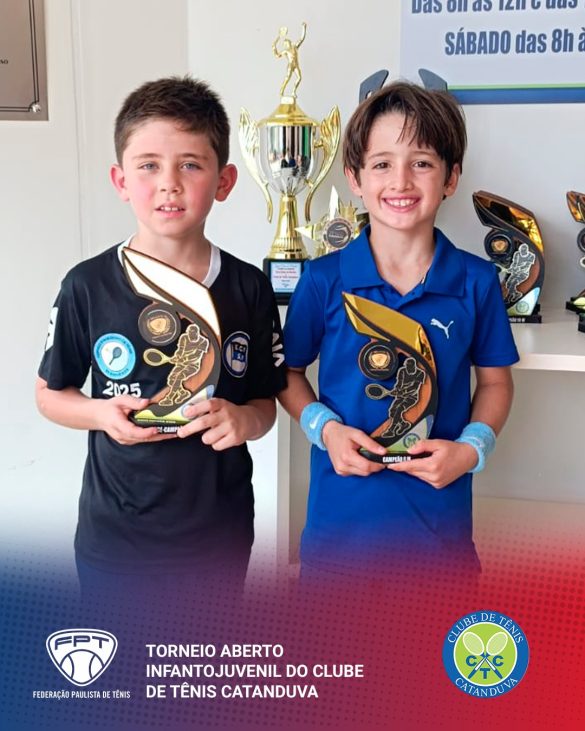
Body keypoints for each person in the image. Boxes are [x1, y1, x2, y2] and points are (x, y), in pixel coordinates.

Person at [36, 76, 286, 604]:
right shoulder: (88, 284)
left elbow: (266, 403)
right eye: (148, 165)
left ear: (224, 181)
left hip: (220, 536)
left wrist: (243, 421)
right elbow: (50, 395)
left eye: (190, 165)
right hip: (115, 540)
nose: (169, 183)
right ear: (121, 180)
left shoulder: (248, 287)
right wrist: (101, 414)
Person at [279, 82, 519, 583]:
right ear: (355, 178)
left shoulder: (476, 281)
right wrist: (324, 429)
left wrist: (472, 449)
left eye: (422, 162)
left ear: (451, 177)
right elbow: (287, 373)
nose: (401, 181)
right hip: (336, 546)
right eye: (382, 164)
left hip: (440, 548)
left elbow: (496, 382)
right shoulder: (323, 280)